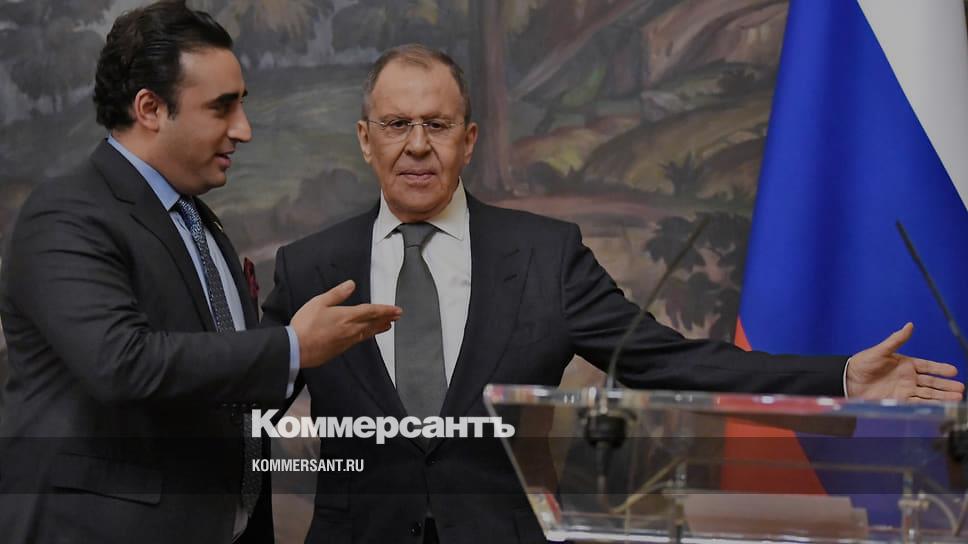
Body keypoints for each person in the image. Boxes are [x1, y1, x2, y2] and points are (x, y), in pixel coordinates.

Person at [261, 44, 965, 544]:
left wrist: (839, 378)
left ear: (469, 140)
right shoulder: (308, 267)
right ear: (365, 140)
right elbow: (246, 399)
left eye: (437, 125)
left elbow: (670, 362)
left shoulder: (545, 255)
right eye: (396, 124)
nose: (417, 145)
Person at [0, 2, 400, 544]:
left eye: (242, 104)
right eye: (221, 107)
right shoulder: (66, 214)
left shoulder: (198, 220)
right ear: (150, 108)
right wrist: (292, 347)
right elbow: (122, 363)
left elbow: (221, 384)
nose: (244, 130)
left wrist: (315, 351)